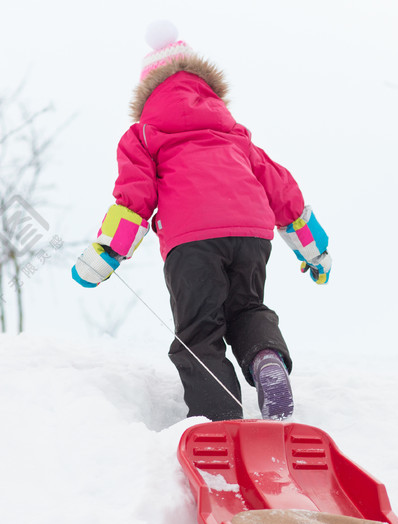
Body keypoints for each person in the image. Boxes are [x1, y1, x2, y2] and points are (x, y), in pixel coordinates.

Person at [72, 21, 331, 422]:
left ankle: (221, 422)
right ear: (207, 89)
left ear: (147, 92)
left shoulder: (143, 134)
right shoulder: (235, 136)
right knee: (246, 308)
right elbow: (285, 195)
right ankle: (266, 357)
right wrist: (316, 252)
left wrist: (107, 254)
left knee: (199, 332)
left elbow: (134, 201)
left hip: (191, 240)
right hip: (251, 233)